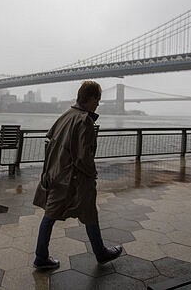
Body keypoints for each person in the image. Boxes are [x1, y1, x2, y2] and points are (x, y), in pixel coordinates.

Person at [32, 80, 123, 270]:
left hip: (57, 175)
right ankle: (101, 253)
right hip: (76, 179)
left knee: (50, 215)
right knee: (89, 213)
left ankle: (42, 256)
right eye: (97, 99)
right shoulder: (85, 120)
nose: (98, 103)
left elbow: (50, 140)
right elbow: (83, 157)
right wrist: (93, 174)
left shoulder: (66, 115)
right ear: (90, 99)